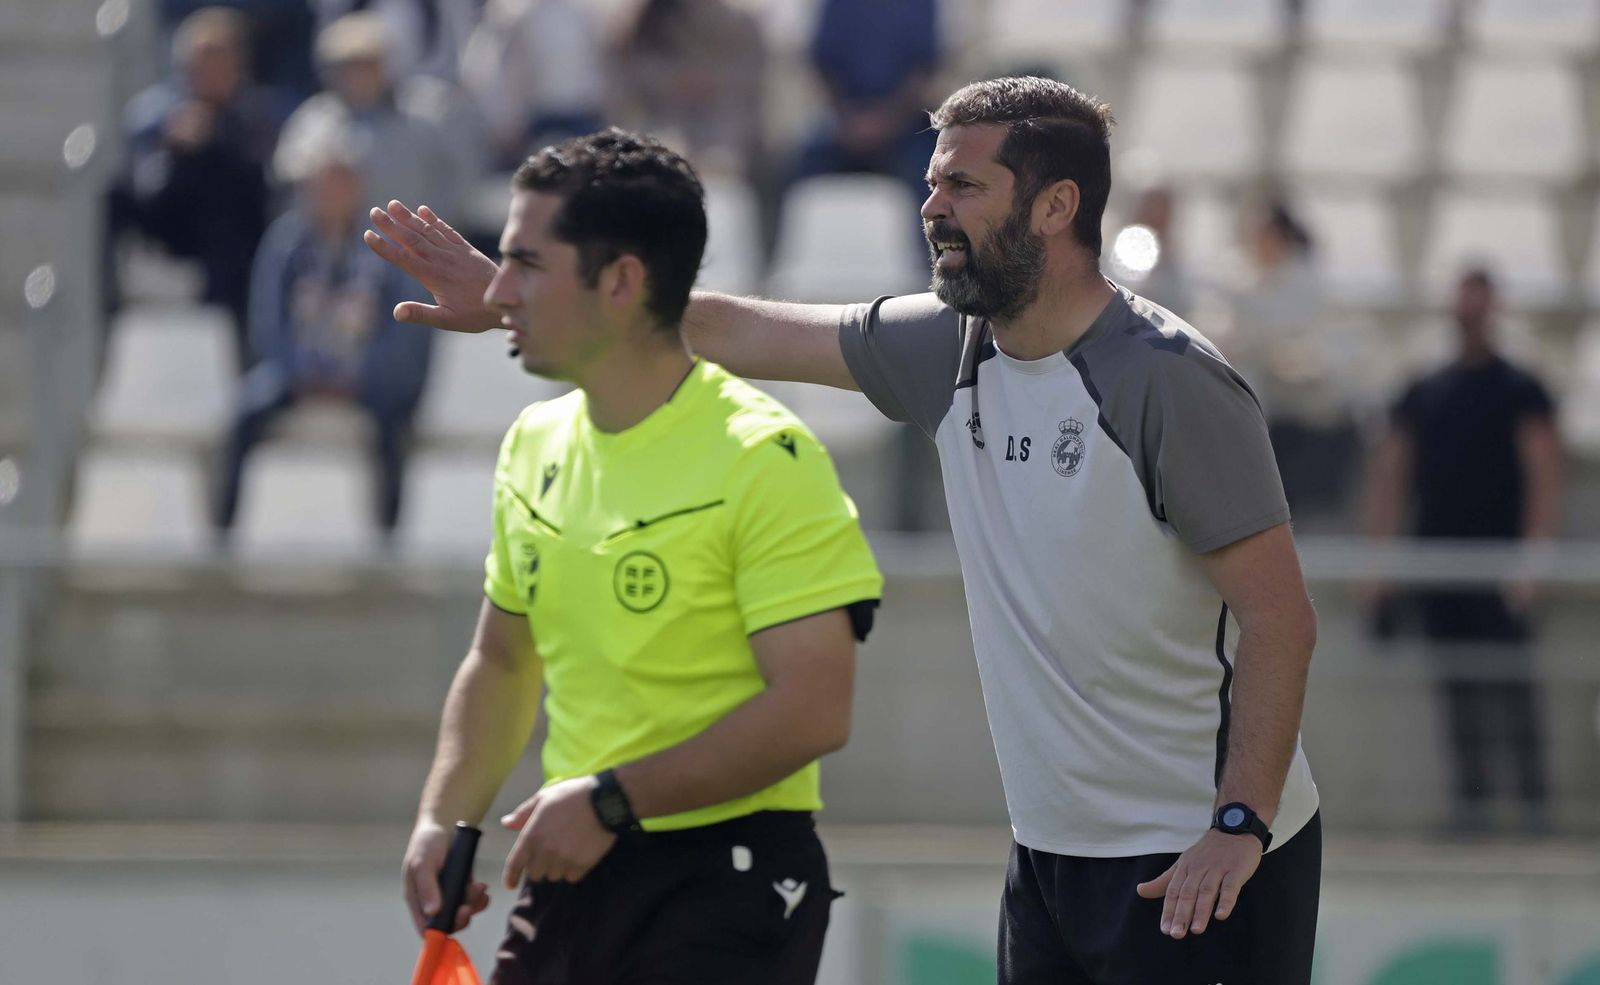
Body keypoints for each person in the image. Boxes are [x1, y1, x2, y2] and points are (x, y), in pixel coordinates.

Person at [365, 76, 1321, 985]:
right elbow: (733, 329)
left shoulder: (1167, 380)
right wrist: (518, 292)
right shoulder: (949, 345)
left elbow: (1280, 618)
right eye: (931, 179)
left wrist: (1239, 823)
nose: (932, 204)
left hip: (1200, 856)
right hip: (1050, 858)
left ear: (1055, 206)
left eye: (963, 182)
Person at [365, 129, 883, 985]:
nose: (495, 291)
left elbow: (815, 711)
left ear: (622, 282)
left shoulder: (764, 456)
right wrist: (440, 818)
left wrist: (613, 799)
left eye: (527, 264)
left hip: (728, 879)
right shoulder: (533, 441)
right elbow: (501, 661)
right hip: (570, 865)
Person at [1362, 267, 1562, 835]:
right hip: (1437, 566)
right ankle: (1470, 810)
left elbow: (1544, 474)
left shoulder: (1522, 388)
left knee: (1514, 690)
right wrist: (1381, 560)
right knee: (1456, 693)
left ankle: (1534, 810)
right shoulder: (1426, 389)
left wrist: (1535, 558)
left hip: (1500, 569)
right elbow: (1391, 476)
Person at [213, 136, 432, 539]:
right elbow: (268, 322)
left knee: (395, 423)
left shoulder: (388, 250)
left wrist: (359, 377)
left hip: (367, 378)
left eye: (341, 183)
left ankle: (389, 532)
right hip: (293, 374)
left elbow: (405, 326)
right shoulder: (286, 244)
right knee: (242, 413)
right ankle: (224, 530)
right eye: (322, 184)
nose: (330, 194)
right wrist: (301, 374)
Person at [109, 6, 279, 368]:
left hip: (237, 262)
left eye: (218, 61)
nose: (206, 73)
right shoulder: (152, 117)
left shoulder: (259, 116)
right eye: (199, 62)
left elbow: (262, 192)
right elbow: (143, 196)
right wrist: (173, 151)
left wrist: (217, 142)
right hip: (169, 252)